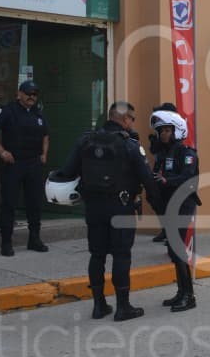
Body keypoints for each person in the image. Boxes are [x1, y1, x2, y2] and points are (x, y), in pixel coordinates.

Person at [56, 101, 159, 321]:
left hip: (93, 208)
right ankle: (123, 307)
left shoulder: (85, 141)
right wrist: (159, 203)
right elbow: (147, 179)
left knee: (97, 255)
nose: (133, 123)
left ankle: (99, 305)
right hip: (120, 208)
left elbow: (67, 171)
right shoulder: (130, 145)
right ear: (125, 119)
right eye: (132, 119)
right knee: (121, 255)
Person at [0, 80, 50, 256]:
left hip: (34, 164)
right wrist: (2, 151)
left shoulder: (38, 113)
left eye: (34, 94)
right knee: (9, 204)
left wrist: (44, 154)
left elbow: (45, 135)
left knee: (34, 203)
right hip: (13, 164)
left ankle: (34, 239)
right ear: (19, 94)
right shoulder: (8, 111)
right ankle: (6, 243)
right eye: (28, 93)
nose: (31, 97)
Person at [150, 107, 201, 312]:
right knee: (173, 250)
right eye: (161, 131)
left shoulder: (187, 153)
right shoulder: (162, 154)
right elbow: (156, 175)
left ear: (177, 130)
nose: (163, 134)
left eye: (167, 130)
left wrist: (166, 181)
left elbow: (188, 177)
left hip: (183, 205)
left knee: (178, 250)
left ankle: (189, 296)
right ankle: (181, 292)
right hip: (169, 206)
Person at [148, 102, 179, 244]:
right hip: (160, 166)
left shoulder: (176, 128)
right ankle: (165, 228)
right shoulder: (160, 128)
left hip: (172, 169)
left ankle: (172, 233)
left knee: (171, 201)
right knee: (154, 197)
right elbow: (155, 149)